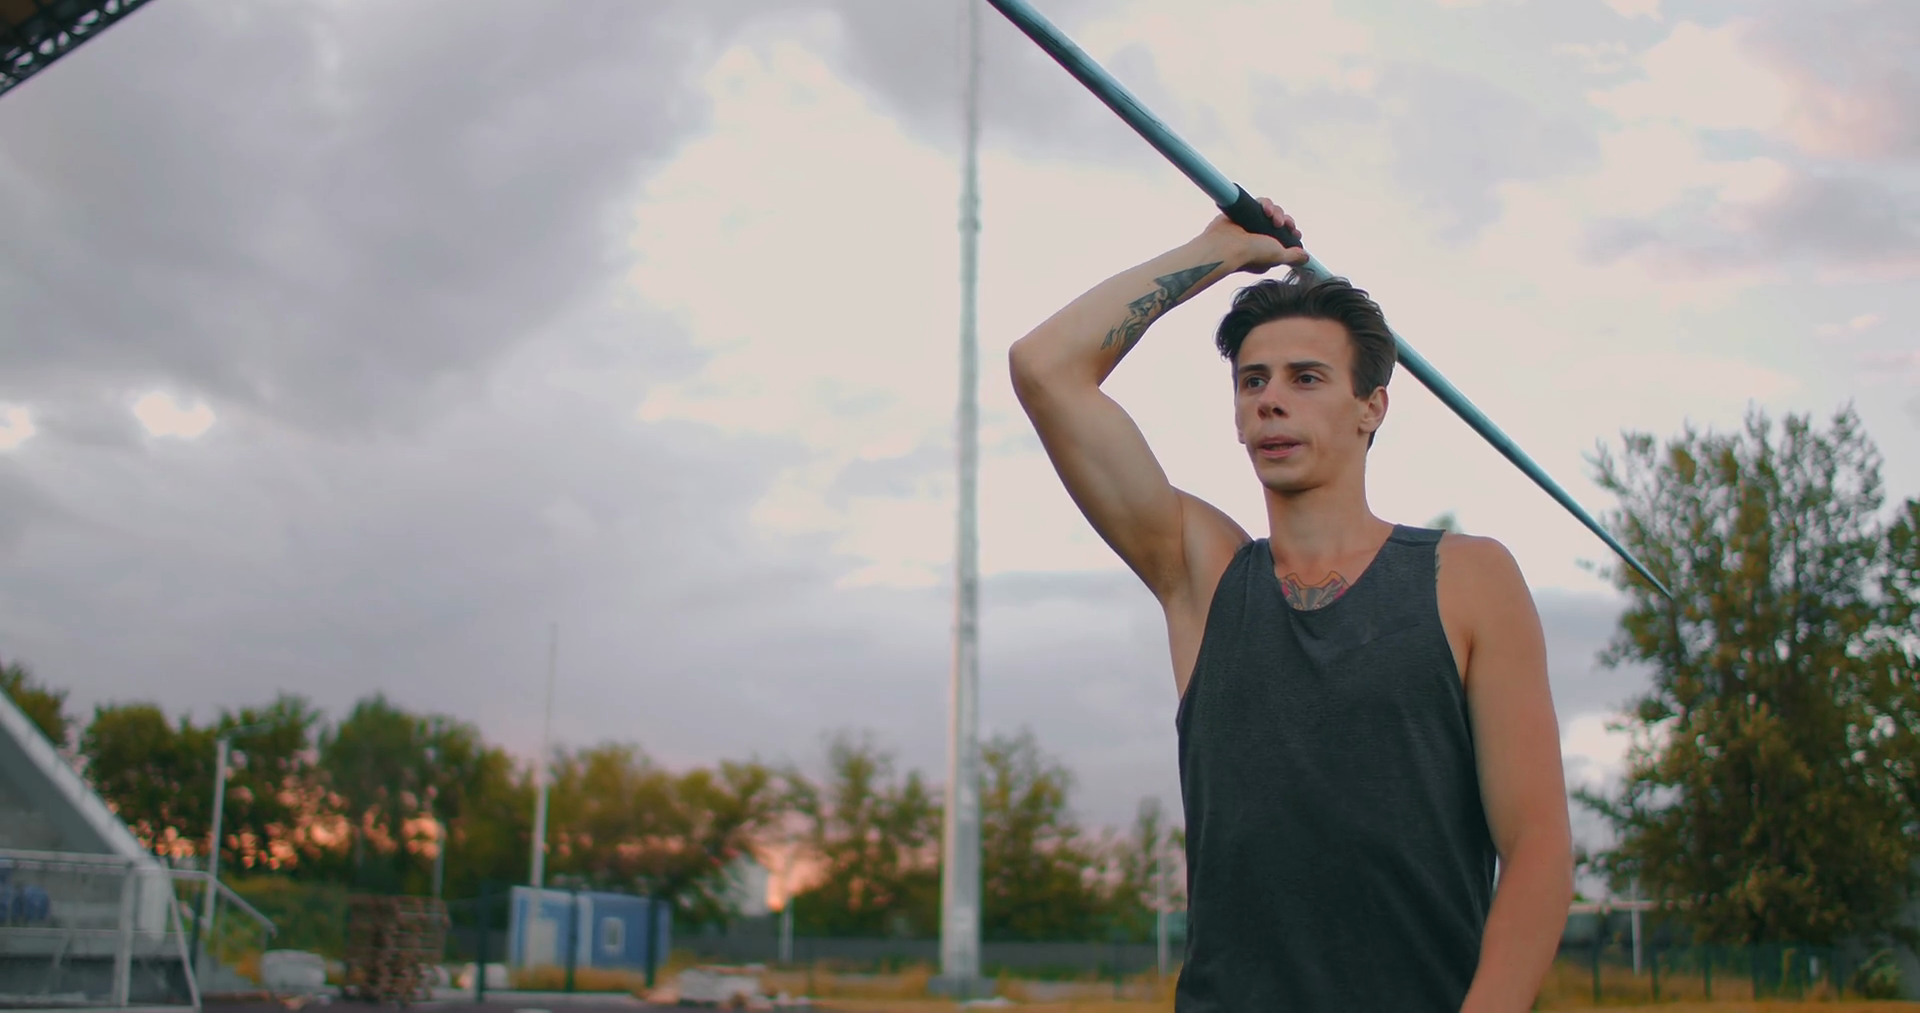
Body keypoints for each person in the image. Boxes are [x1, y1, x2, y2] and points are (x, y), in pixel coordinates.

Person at [1008, 199, 1573, 1012]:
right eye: (1252, 380)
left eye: (1307, 378)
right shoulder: (1203, 574)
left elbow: (1539, 849)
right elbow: (1044, 366)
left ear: (1371, 407)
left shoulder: (1468, 578)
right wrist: (1216, 254)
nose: (1271, 400)